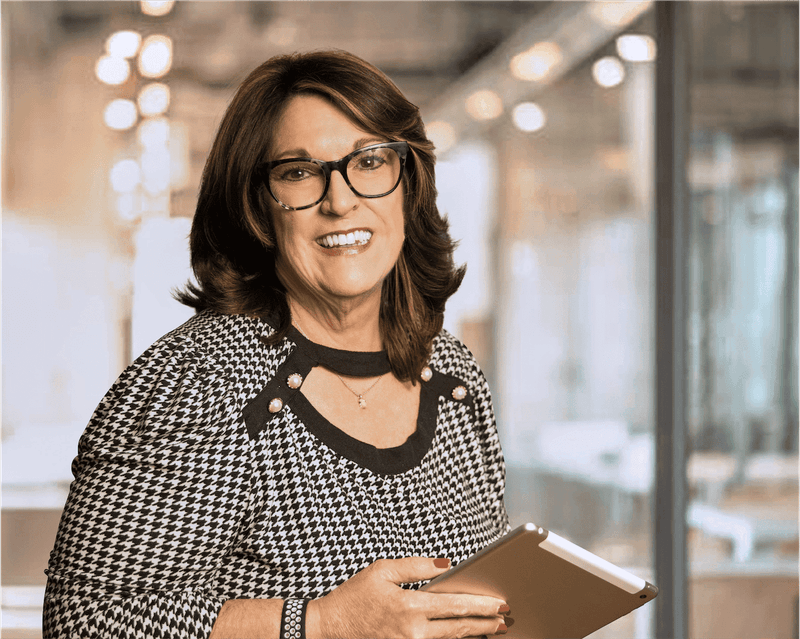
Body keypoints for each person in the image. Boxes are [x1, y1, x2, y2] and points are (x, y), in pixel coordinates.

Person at [43, 50, 511, 639]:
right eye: (298, 172)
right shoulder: (194, 381)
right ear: (257, 206)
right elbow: (85, 622)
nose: (339, 200)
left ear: (408, 184)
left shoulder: (452, 373)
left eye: (369, 162)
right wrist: (322, 622)